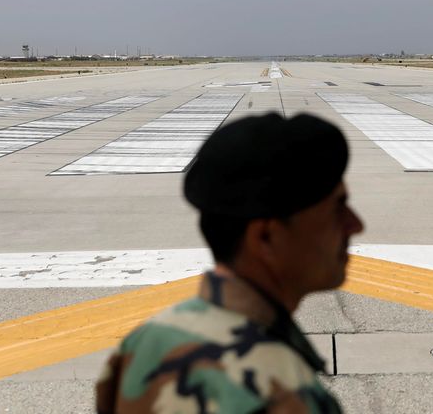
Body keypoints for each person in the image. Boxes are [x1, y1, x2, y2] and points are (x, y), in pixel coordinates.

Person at [97, 113, 364, 413]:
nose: (356, 225)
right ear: (265, 238)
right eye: (337, 209)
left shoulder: (143, 345)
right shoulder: (286, 395)